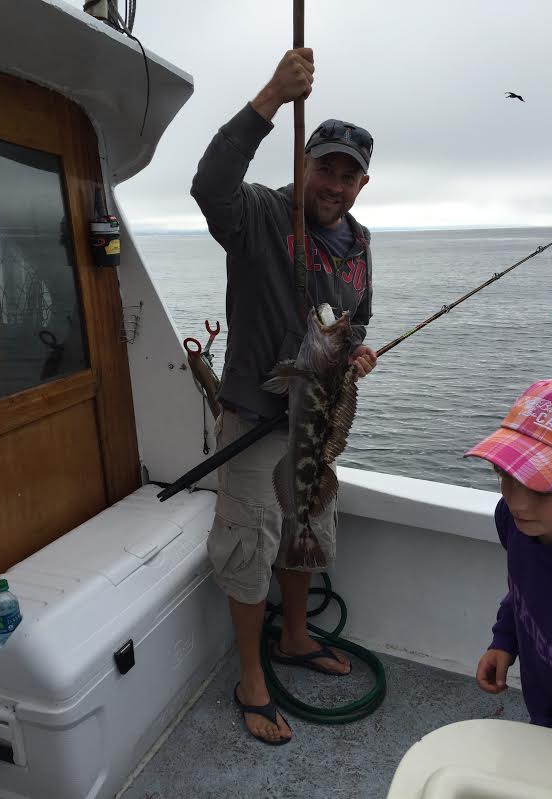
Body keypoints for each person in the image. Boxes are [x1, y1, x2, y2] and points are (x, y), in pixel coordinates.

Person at [191, 48, 377, 745]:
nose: (333, 183)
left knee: (308, 534)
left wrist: (356, 350)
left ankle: (295, 636)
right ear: (304, 166)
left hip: (318, 428)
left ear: (362, 183)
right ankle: (251, 676)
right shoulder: (260, 217)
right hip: (256, 421)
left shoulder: (357, 244)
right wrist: (271, 95)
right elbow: (209, 184)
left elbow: (355, 319)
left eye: (346, 174)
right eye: (323, 167)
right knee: (249, 545)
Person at [465, 375, 552, 735]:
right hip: (545, 710)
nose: (516, 501)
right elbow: (522, 590)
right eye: (507, 474)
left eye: (542, 489)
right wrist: (505, 640)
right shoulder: (516, 523)